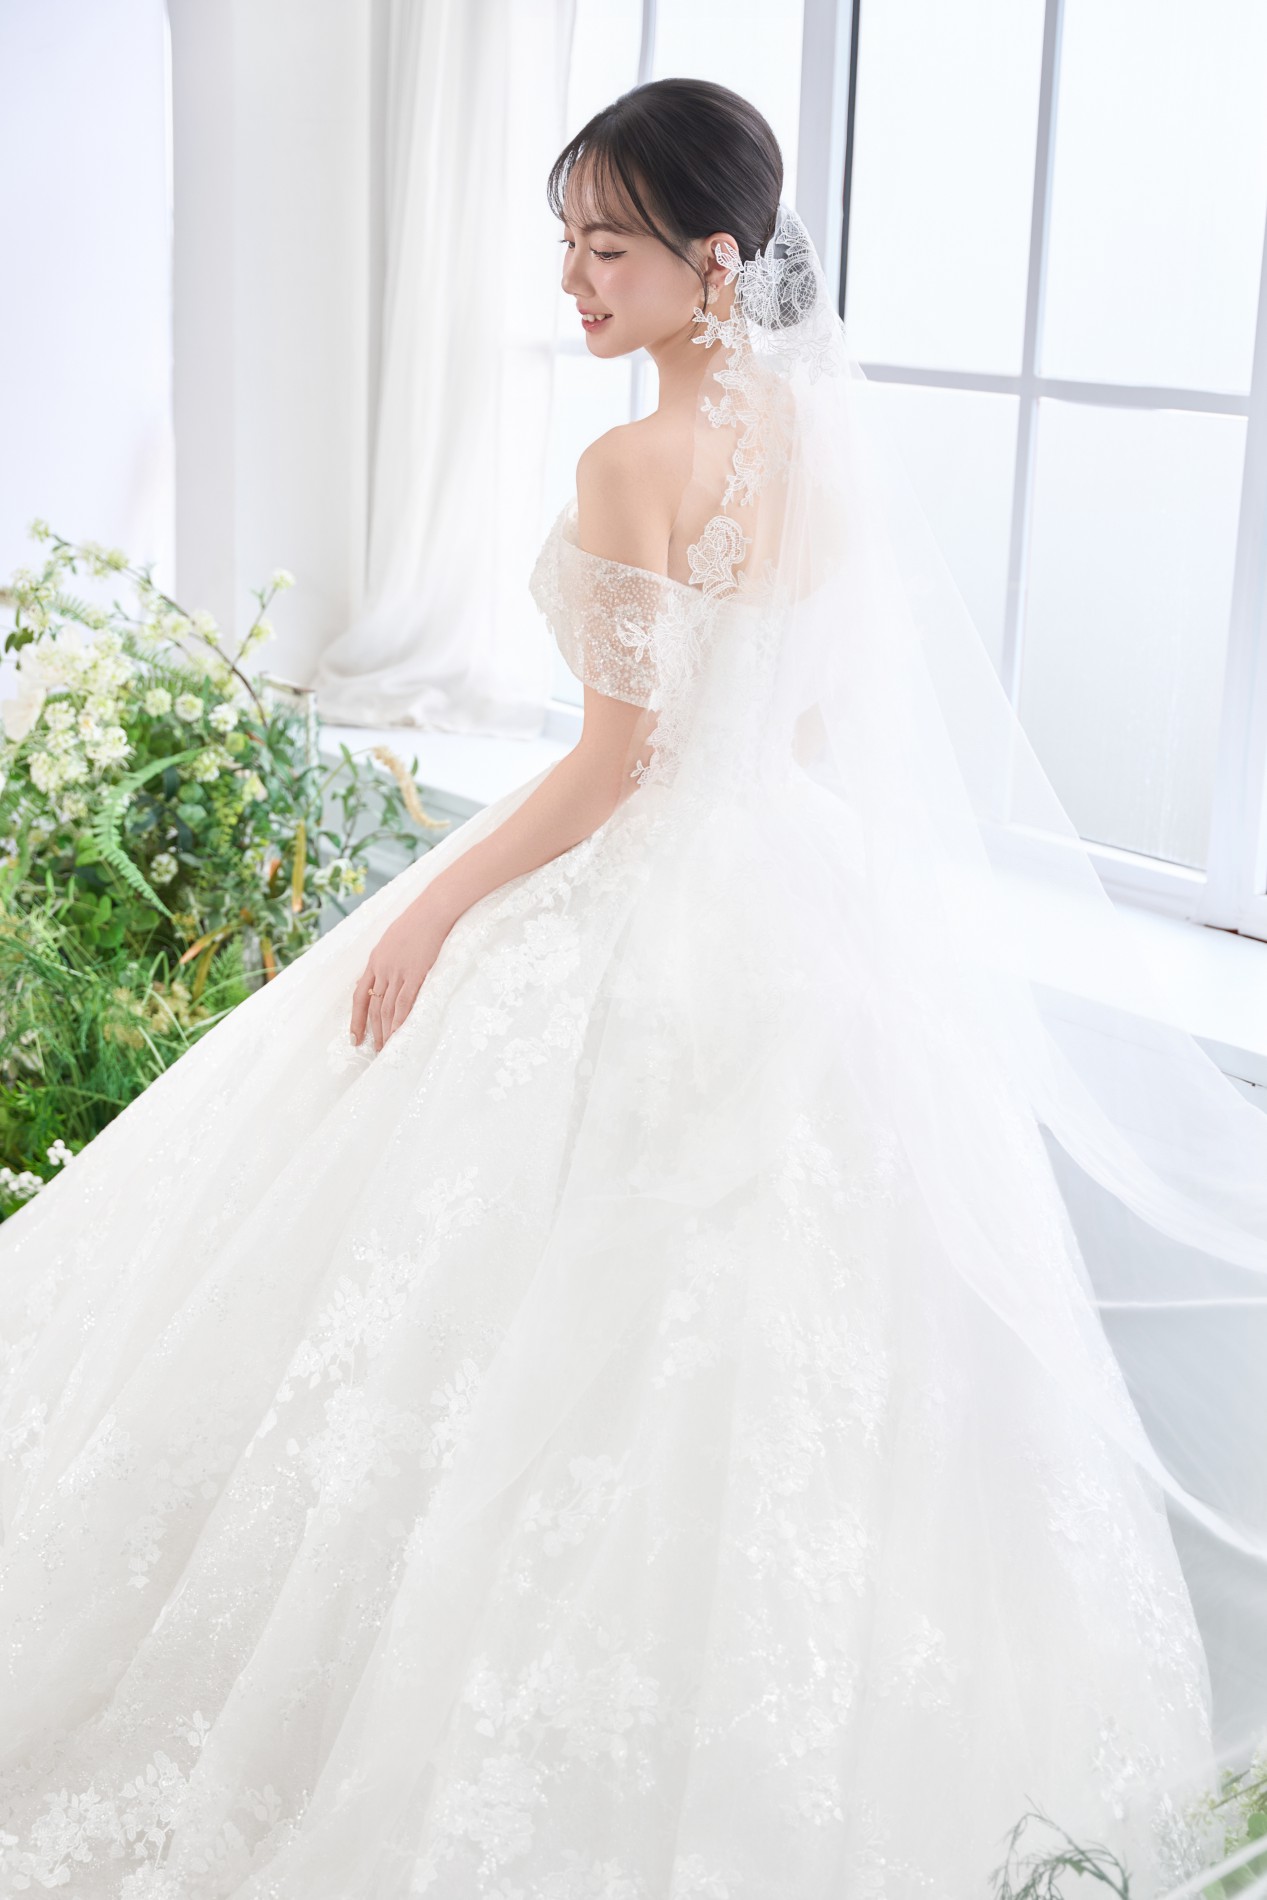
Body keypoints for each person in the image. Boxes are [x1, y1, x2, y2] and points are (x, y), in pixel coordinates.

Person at [3, 77, 1266, 1900]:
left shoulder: (630, 464)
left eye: (607, 246)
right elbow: (807, 730)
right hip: (793, 898)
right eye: (566, 242)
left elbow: (615, 769)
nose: (574, 281)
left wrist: (430, 912)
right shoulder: (829, 450)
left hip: (658, 888)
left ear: (716, 260)